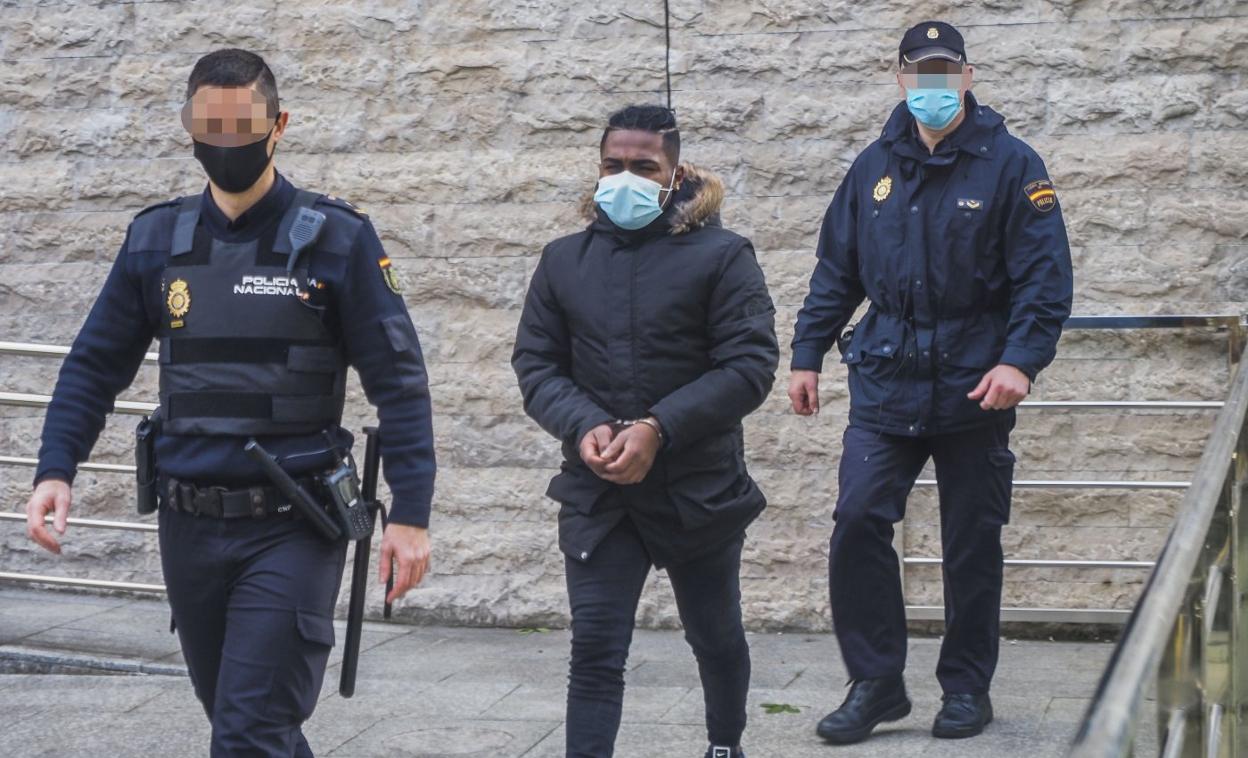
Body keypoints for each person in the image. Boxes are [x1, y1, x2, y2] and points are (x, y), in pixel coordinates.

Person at [24, 48, 436, 757]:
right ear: (189, 127)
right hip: (189, 526)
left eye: (241, 125)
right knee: (247, 727)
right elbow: (95, 364)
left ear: (279, 125)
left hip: (294, 522)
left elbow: (399, 382)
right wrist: (55, 468)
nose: (224, 144)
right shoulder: (158, 239)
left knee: (248, 731)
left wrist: (412, 515)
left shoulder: (338, 239)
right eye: (208, 126)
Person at [787, 21, 1073, 744]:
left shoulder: (1012, 164)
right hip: (886, 381)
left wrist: (1020, 361)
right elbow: (835, 272)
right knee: (857, 520)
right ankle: (877, 683)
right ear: (901, 78)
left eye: (947, 71)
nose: (934, 85)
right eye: (922, 72)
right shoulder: (872, 167)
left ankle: (966, 687)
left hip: (976, 386)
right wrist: (806, 353)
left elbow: (1044, 280)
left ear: (969, 78)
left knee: (971, 542)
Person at [512, 104, 779, 758]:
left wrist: (661, 427)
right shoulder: (562, 261)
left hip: (698, 488)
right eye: (612, 165)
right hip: (600, 492)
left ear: (674, 172)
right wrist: (584, 428)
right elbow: (537, 365)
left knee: (715, 636)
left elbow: (749, 365)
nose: (623, 177)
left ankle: (725, 745)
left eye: (642, 166)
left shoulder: (723, 256)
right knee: (596, 649)